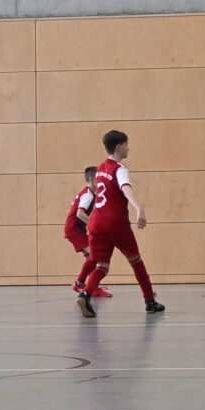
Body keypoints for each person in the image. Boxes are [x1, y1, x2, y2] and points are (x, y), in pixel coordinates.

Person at [75, 129, 164, 316]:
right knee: (136, 260)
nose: (128, 148)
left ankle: (85, 294)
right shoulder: (119, 169)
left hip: (96, 222)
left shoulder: (101, 168)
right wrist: (139, 208)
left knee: (102, 265)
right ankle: (150, 301)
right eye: (126, 145)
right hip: (115, 222)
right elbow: (125, 188)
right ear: (118, 147)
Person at [62, 165, 110, 298]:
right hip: (74, 229)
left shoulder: (91, 194)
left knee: (93, 257)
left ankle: (92, 287)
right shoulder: (88, 195)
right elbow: (80, 213)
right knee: (95, 255)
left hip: (77, 229)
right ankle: (80, 283)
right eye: (100, 179)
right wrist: (93, 225)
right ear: (93, 180)